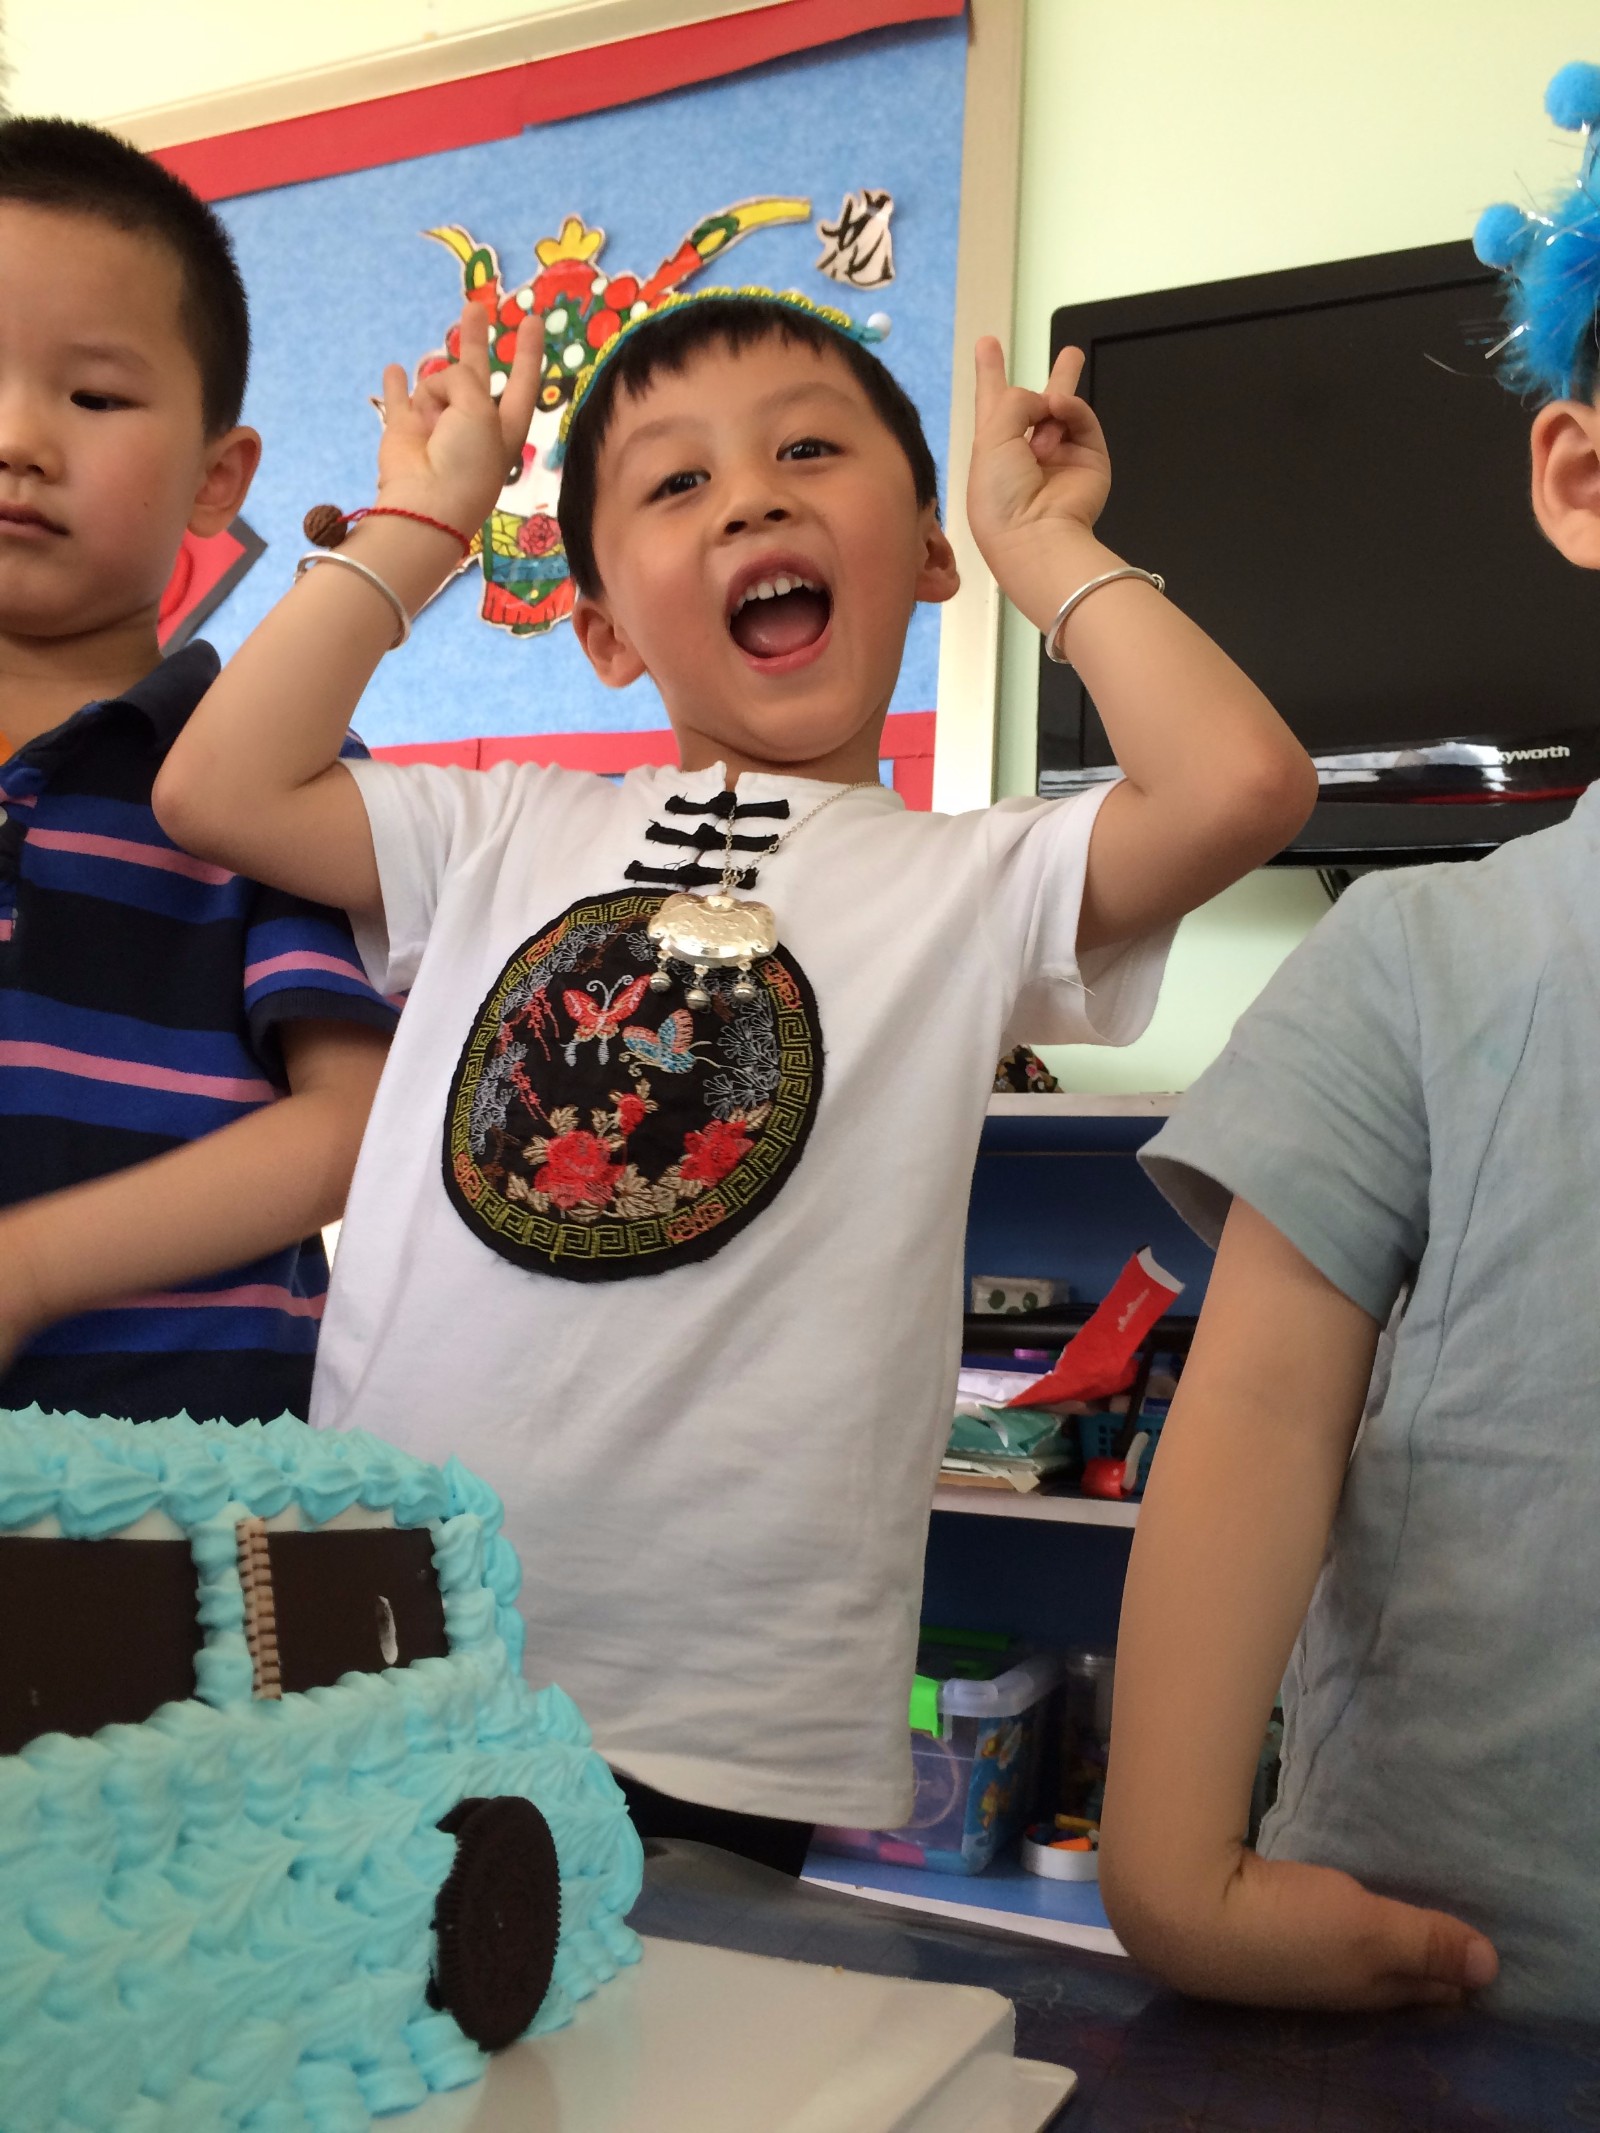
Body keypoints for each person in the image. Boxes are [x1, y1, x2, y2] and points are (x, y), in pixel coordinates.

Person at [154, 276, 1314, 1868]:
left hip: (719, 1694)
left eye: (809, 451)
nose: (753, 496)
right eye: (678, 480)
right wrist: (425, 523)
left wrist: (1046, 550)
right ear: (604, 629)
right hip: (381, 1620)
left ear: (928, 555)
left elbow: (1243, 783)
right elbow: (216, 785)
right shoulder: (498, 828)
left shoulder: (973, 878)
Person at [1099, 62, 1600, 2026]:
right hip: (1441, 1973)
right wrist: (1170, 1871)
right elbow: (1254, 1407)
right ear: (1579, 480)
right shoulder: (1421, 954)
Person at [0, 118, 395, 1425]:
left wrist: (29, 1270)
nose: (19, 438)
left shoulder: (278, 776)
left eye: (93, 398)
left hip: (193, 1481)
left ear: (217, 478)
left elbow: (354, 1124)